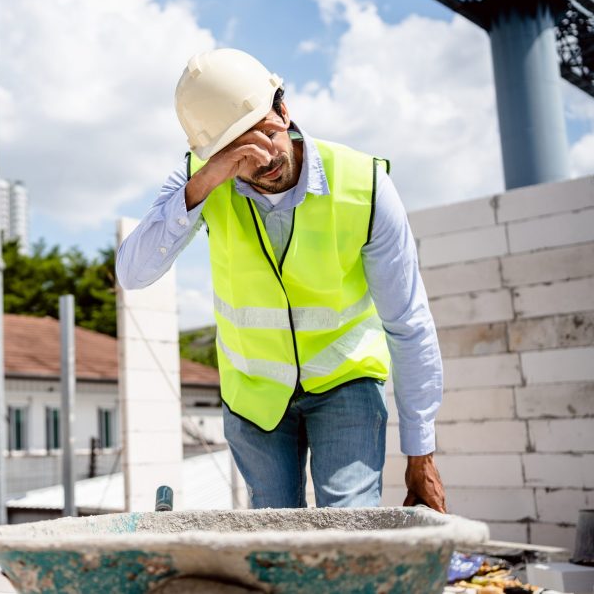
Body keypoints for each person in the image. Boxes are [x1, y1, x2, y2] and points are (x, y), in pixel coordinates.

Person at [116, 48, 446, 512]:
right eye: (239, 150)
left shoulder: (363, 184)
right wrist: (208, 178)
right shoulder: (203, 181)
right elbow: (133, 272)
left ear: (284, 109)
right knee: (273, 537)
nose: (266, 156)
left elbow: (408, 323)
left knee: (349, 526)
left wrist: (421, 452)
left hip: (344, 380)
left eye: (269, 132)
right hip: (253, 393)